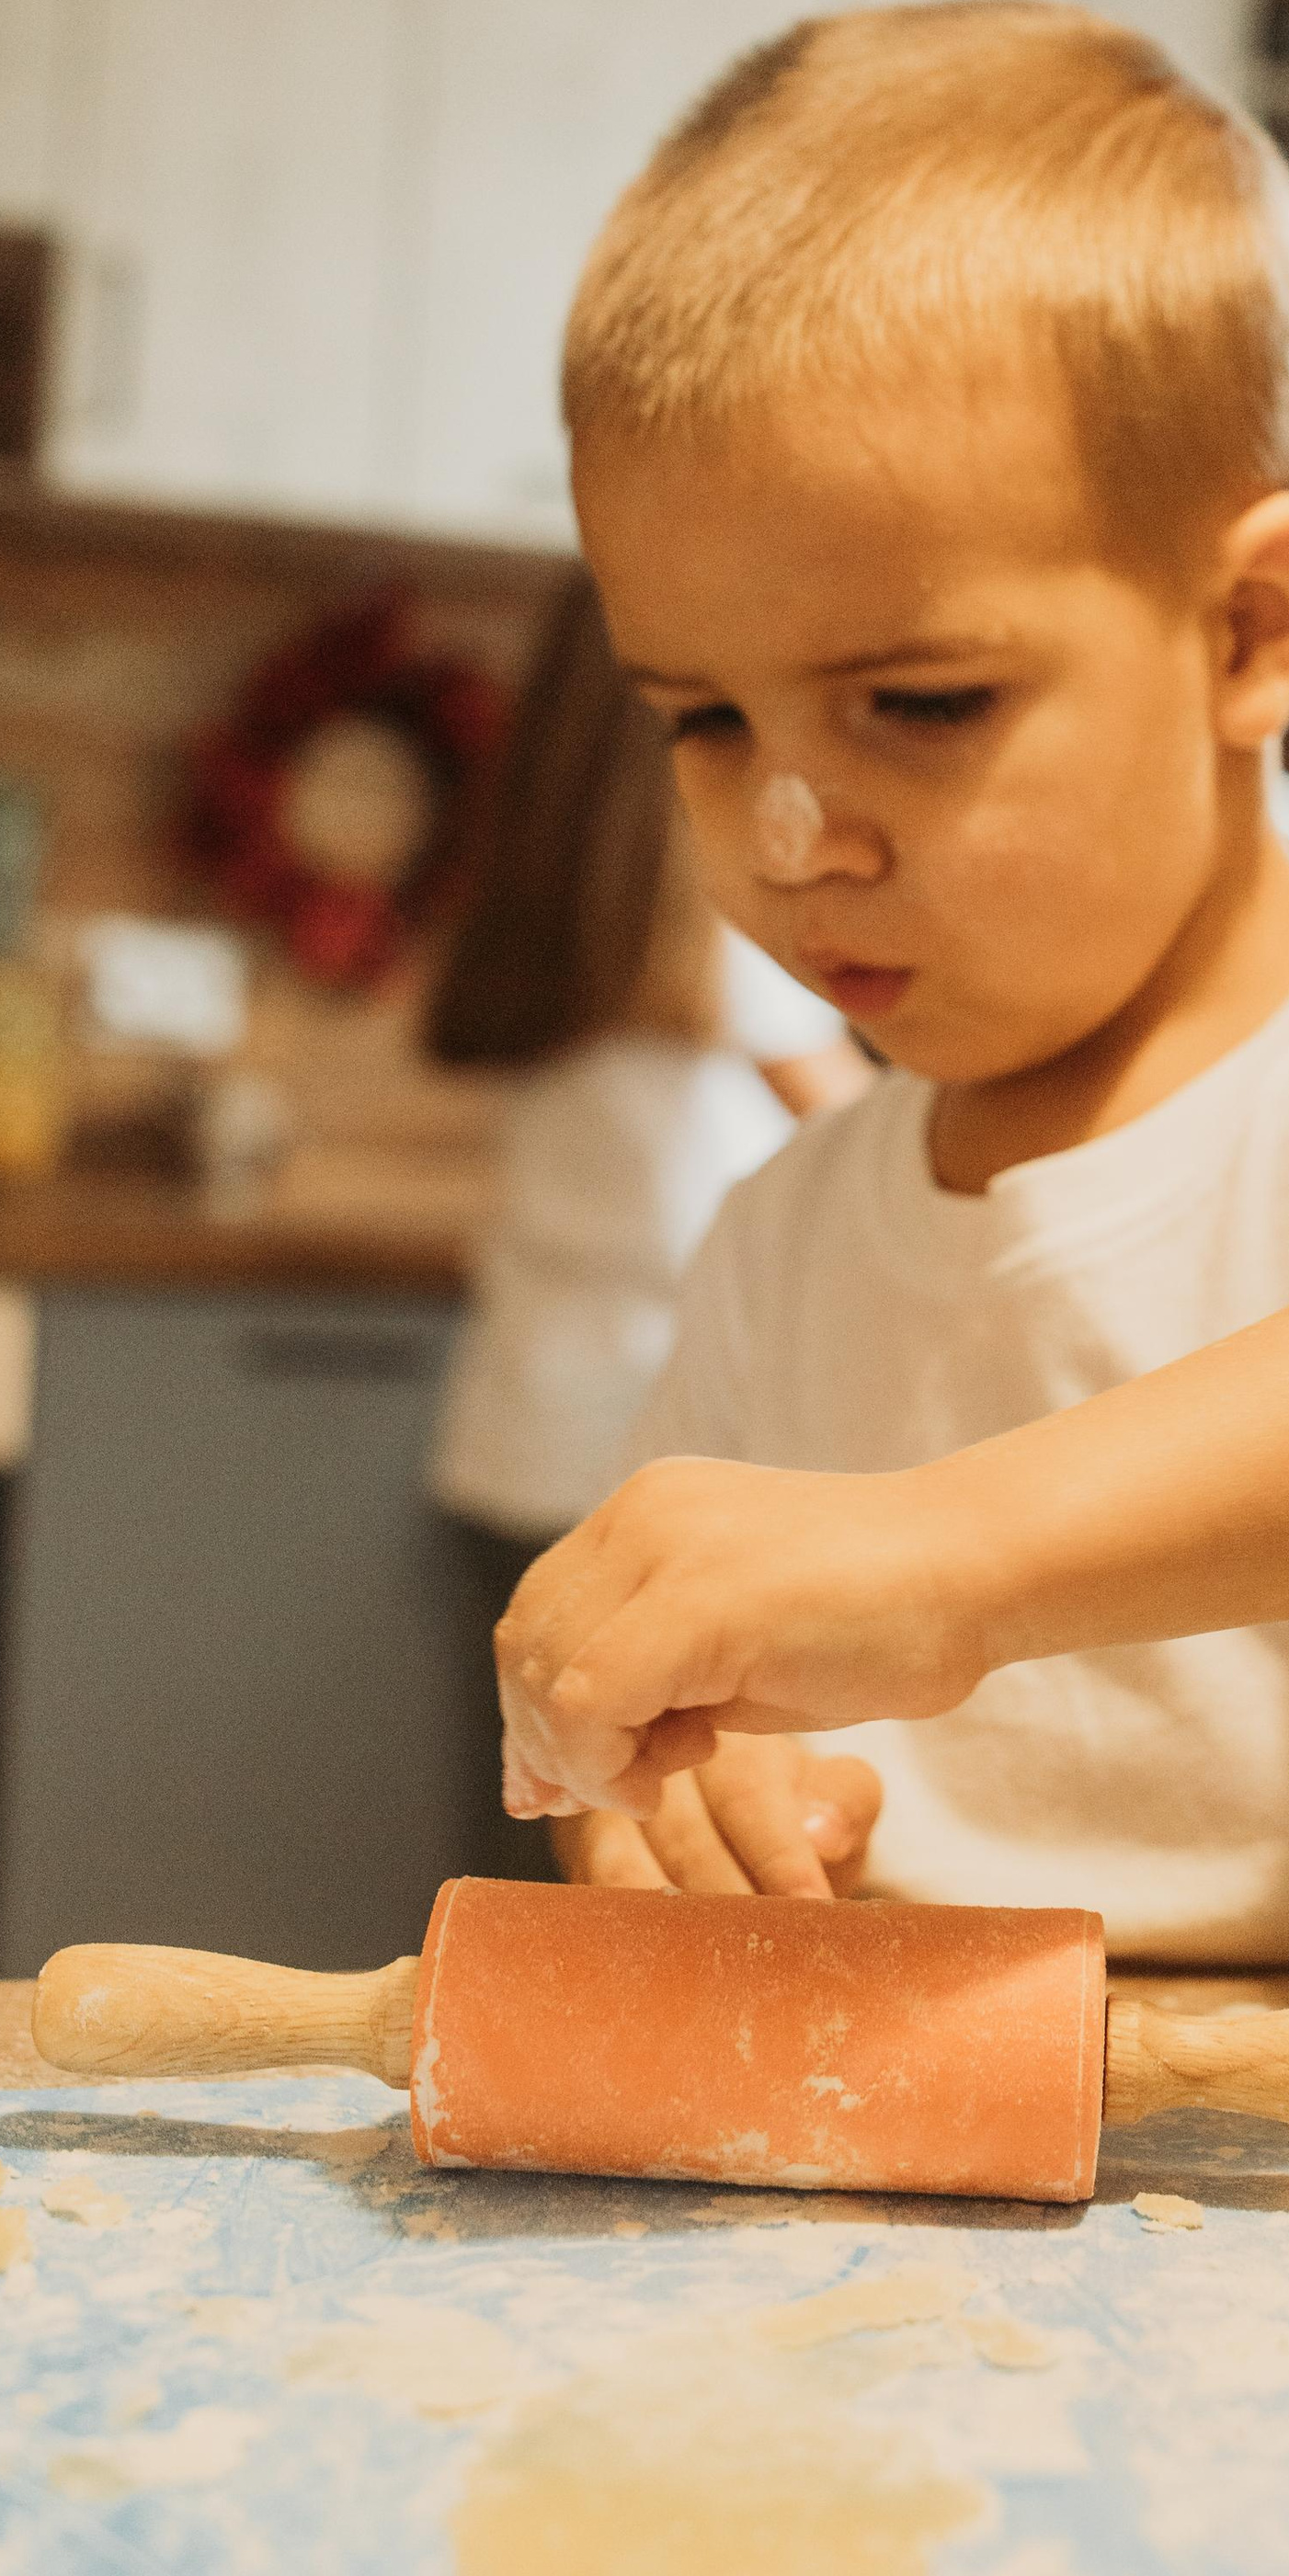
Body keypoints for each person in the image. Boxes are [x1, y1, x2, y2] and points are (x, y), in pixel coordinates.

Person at [496, 0, 1289, 1959]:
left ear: (1249, 631)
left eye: (916, 705)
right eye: (697, 719)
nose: (784, 836)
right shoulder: (783, 1247)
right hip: (989, 2213)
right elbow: (674, 1771)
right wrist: (674, 1801)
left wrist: (949, 1555)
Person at [423, 573, 872, 1875]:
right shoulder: (727, 947)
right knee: (635, 1853)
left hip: (512, 1441)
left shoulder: (549, 913)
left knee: (527, 1830)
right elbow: (879, 1141)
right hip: (642, 1473)